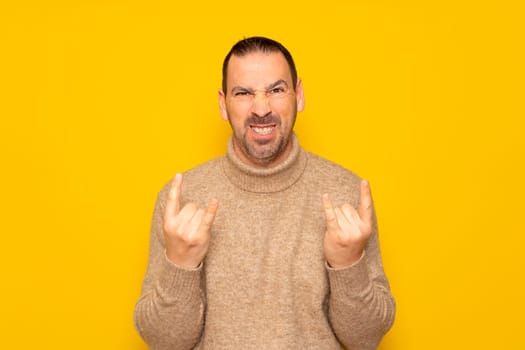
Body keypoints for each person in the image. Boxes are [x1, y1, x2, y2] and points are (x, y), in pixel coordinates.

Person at [134, 36, 395, 349]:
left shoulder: (346, 193)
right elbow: (164, 343)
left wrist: (348, 263)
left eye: (276, 90)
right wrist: (180, 263)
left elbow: (366, 339)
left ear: (298, 96)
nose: (261, 108)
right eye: (243, 93)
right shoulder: (182, 199)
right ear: (222, 103)